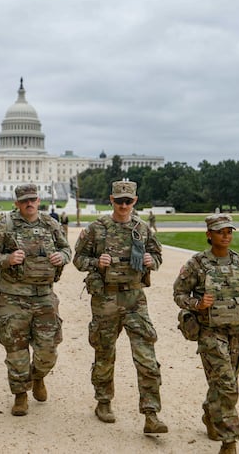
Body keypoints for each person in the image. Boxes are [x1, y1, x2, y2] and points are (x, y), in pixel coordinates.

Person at [73, 179, 168, 434]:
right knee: (104, 353)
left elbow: (158, 256)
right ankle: (103, 402)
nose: (124, 205)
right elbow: (78, 259)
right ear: (111, 200)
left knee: (146, 357)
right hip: (106, 299)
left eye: (128, 201)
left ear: (135, 201)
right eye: (119, 201)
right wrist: (96, 262)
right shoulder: (97, 229)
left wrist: (152, 260)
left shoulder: (143, 229)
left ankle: (151, 414)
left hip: (135, 299)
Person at [0, 183, 71, 416]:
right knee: (15, 349)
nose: (29, 204)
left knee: (48, 349)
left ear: (38, 201)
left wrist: (61, 256)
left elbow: (67, 249)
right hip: (14, 298)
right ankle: (20, 395)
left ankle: (38, 375)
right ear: (17, 203)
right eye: (24, 201)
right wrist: (7, 259)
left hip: (44, 296)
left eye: (32, 199)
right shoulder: (5, 226)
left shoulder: (50, 224)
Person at [172, 214, 239, 454]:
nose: (226, 236)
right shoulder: (197, 264)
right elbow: (178, 294)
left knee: (230, 379)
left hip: (236, 333)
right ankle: (229, 442)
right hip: (211, 333)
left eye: (229, 231)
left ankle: (211, 414)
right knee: (227, 385)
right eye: (221, 231)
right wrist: (197, 303)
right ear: (209, 234)